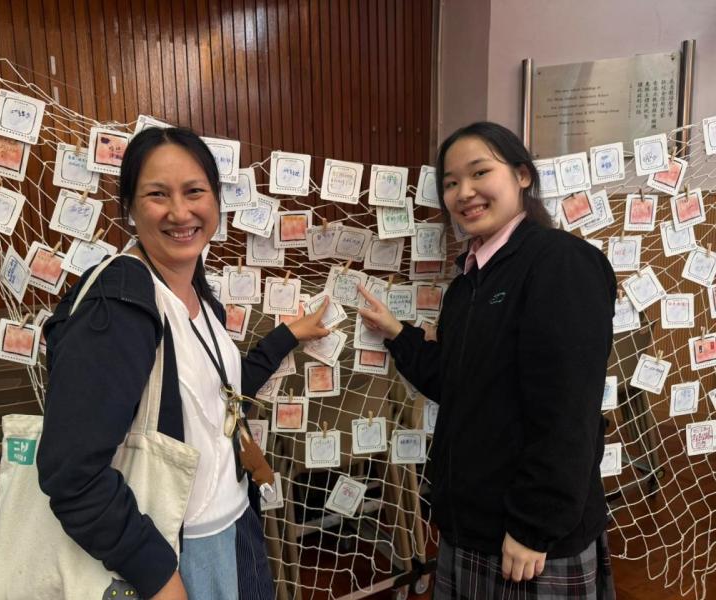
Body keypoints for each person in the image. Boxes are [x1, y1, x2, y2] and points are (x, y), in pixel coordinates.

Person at [37, 126, 330, 600]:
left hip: (236, 527)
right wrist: (158, 576)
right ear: (130, 208)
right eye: (158, 194)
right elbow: (71, 475)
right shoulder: (117, 306)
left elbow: (221, 390)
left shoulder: (195, 288)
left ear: (216, 200)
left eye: (194, 191)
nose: (180, 212)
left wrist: (288, 336)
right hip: (174, 555)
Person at [358, 122, 617, 599]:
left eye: (479, 173)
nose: (464, 193)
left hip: (527, 540)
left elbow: (568, 410)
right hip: (468, 525)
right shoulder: (468, 283)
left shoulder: (560, 263)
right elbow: (456, 382)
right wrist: (397, 333)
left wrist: (533, 525)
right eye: (451, 182)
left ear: (522, 175)